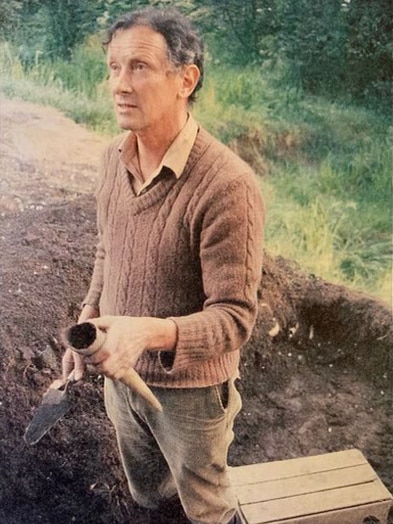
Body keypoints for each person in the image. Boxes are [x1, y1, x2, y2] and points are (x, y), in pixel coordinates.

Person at [60, 7, 264, 524]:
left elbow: (235, 318)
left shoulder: (227, 186)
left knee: (208, 508)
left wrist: (145, 335)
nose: (119, 85)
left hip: (192, 398)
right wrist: (89, 326)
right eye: (112, 68)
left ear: (185, 79)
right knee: (149, 495)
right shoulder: (113, 157)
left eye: (139, 67)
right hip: (119, 379)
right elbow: (110, 248)